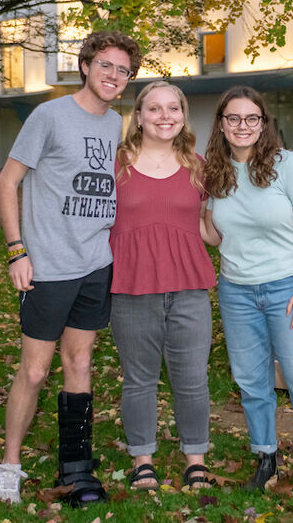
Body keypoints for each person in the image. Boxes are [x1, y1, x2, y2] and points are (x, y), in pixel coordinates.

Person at [0, 31, 140, 507]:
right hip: (48, 266)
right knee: (34, 372)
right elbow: (7, 182)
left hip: (96, 264)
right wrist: (17, 250)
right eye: (106, 65)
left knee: (79, 363)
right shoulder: (49, 115)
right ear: (85, 65)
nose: (114, 76)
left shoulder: (115, 123)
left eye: (123, 70)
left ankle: (76, 469)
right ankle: (10, 466)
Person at [203, 85, 293, 508]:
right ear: (222, 124)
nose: (242, 126)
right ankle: (266, 459)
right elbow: (215, 235)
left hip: (287, 289)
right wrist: (181, 215)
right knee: (251, 383)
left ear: (264, 123)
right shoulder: (218, 171)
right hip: (236, 291)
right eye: (233, 118)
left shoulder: (287, 166)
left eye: (251, 118)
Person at [109, 81, 219, 492]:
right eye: (154, 109)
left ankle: (195, 460)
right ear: (138, 117)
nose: (165, 116)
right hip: (132, 287)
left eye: (173, 108)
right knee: (138, 379)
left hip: (189, 287)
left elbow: (208, 226)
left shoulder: (198, 165)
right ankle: (143, 461)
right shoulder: (116, 164)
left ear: (183, 116)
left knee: (192, 378)